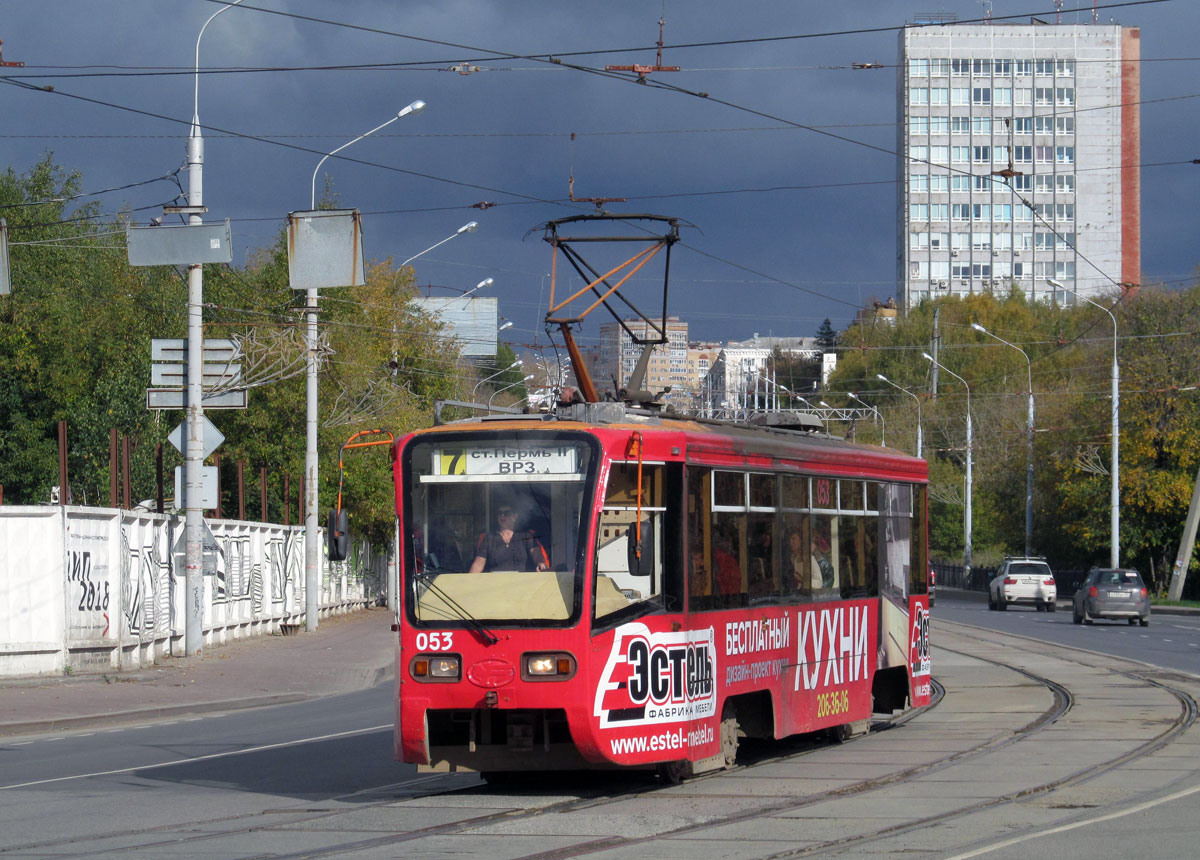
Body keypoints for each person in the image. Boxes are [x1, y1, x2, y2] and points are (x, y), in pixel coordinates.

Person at [469, 506, 549, 573]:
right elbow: (478, 565)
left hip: (521, 585)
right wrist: (467, 583)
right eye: (499, 513)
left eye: (506, 513)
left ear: (515, 516)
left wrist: (541, 563)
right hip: (495, 585)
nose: (502, 516)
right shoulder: (489, 538)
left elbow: (537, 554)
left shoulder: (526, 536)